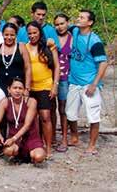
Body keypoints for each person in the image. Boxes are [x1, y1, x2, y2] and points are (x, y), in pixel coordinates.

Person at [66, 10, 108, 155]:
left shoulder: (95, 41)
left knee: (93, 116)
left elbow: (103, 63)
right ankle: (74, 137)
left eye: (82, 17)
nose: (78, 19)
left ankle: (92, 145)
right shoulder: (75, 31)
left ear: (89, 22)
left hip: (89, 83)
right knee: (70, 113)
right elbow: (63, 29)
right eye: (78, 16)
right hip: (74, 81)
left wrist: (95, 84)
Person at [25, 21, 60, 158]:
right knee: (33, 118)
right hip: (30, 87)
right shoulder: (24, 47)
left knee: (45, 116)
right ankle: (36, 144)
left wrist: (55, 85)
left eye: (35, 32)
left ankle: (49, 147)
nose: (32, 35)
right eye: (30, 33)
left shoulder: (49, 46)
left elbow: (57, 67)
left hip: (45, 85)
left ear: (40, 32)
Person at [0, 78, 46, 164]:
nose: (17, 91)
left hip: (30, 137)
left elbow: (27, 125)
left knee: (39, 157)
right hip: (13, 137)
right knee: (8, 151)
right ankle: (19, 154)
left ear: (24, 90)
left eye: (20, 88)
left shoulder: (31, 102)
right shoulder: (5, 102)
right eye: (15, 88)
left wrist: (14, 139)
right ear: (9, 89)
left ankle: (29, 154)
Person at [0, 23, 31, 96]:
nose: (9, 37)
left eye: (12, 35)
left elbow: (27, 68)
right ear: (2, 34)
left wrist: (27, 88)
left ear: (16, 35)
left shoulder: (21, 47)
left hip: (17, 87)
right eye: (6, 35)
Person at [53, 13, 72, 152]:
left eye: (62, 23)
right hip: (52, 77)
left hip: (66, 78)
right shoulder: (52, 38)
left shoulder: (73, 37)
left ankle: (65, 138)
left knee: (63, 108)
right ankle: (52, 136)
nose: (60, 27)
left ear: (67, 23)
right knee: (50, 108)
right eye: (57, 24)